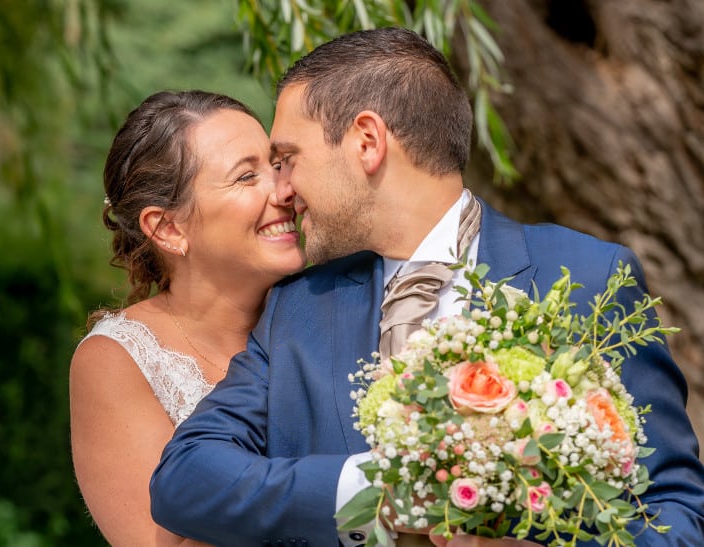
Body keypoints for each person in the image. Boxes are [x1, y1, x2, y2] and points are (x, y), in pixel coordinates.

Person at [150, 28, 704, 546]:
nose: (283, 190)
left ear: (367, 141)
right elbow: (184, 478)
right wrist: (377, 492)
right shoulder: (299, 307)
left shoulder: (587, 277)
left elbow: (675, 514)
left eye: (288, 159)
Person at [69, 90, 305, 546]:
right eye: (245, 176)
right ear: (168, 228)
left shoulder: (336, 303)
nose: (284, 190)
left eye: (277, 165)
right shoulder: (118, 360)